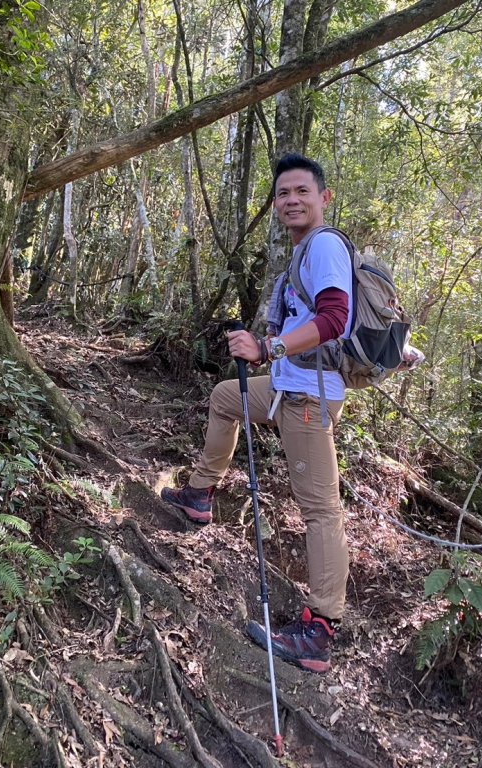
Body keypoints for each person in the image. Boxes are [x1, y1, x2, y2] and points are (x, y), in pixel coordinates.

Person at [161, 153, 352, 674]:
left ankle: (321, 629)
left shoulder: (326, 246)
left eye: (302, 192)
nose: (291, 200)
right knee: (227, 397)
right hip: (288, 387)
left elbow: (335, 319)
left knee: (320, 510)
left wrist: (269, 350)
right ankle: (199, 494)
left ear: (323, 198)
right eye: (283, 194)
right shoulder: (301, 253)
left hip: (309, 396)